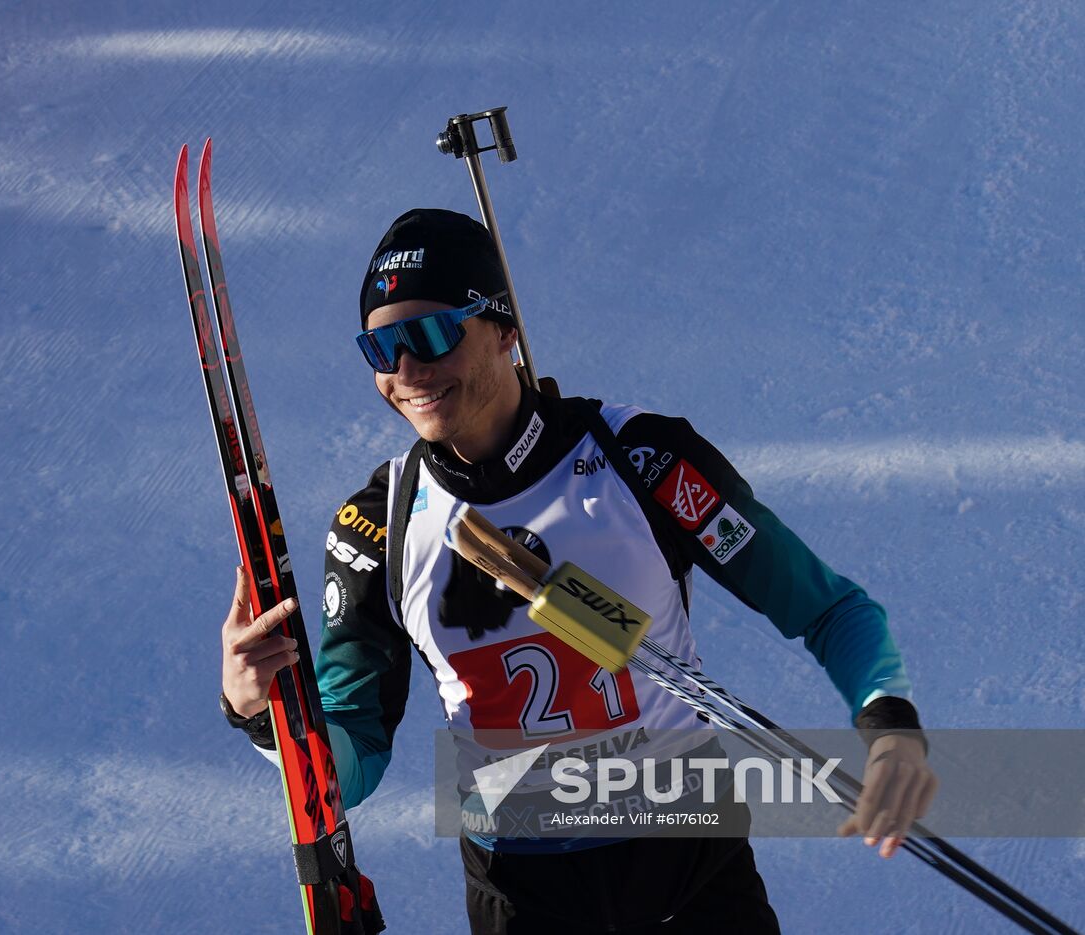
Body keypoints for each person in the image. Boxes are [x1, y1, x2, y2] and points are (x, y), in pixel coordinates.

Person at [219, 208, 938, 933]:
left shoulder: (643, 459)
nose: (406, 371)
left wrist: (891, 726)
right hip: (522, 892)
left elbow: (828, 608)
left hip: (687, 869)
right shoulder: (381, 523)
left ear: (504, 329)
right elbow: (352, 760)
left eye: (431, 335)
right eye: (380, 348)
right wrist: (262, 715)